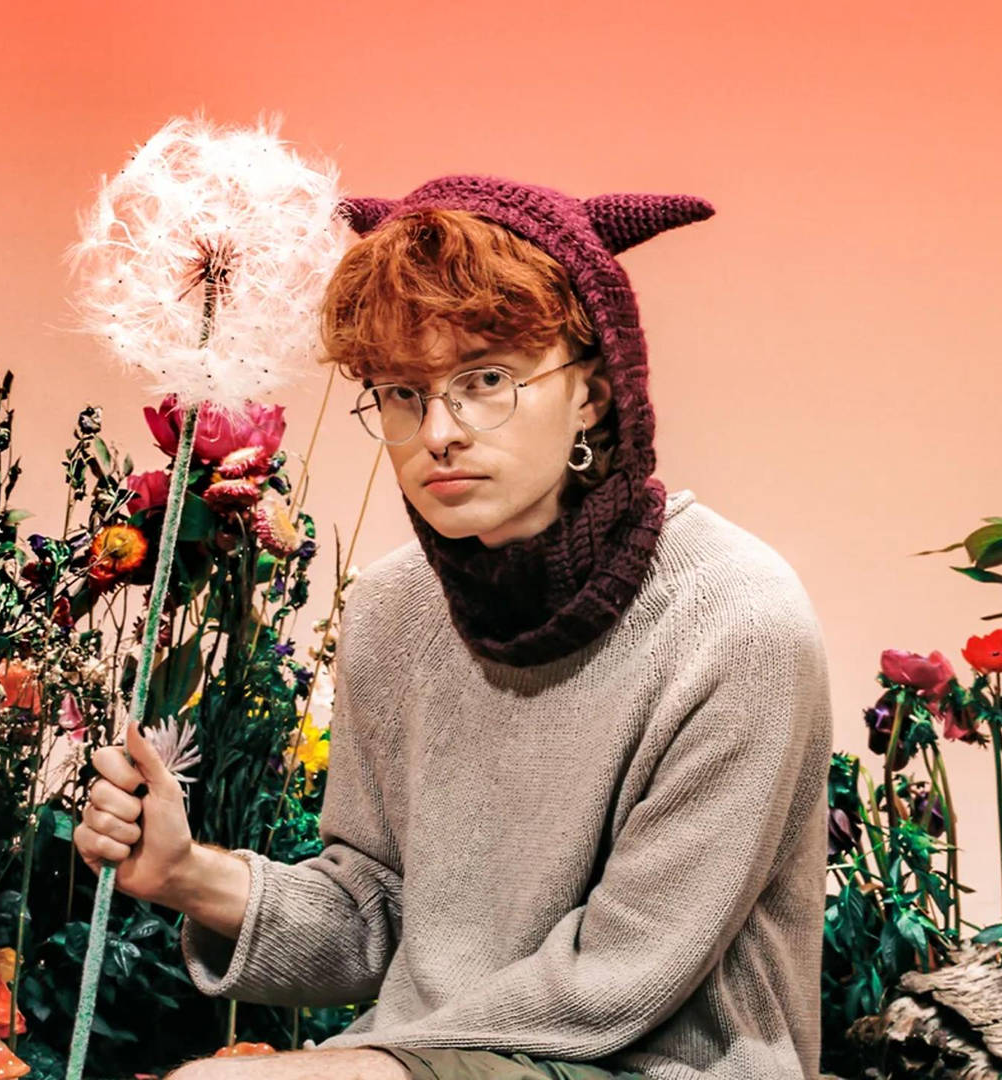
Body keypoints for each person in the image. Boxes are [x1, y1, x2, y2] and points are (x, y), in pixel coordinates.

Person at [74, 175, 834, 1080]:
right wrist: (186, 874)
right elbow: (378, 916)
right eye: (403, 391)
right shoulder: (395, 610)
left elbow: (622, 976)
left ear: (594, 393)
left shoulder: (737, 619)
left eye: (487, 380)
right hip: (434, 1057)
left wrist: (365, 1067)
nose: (439, 430)